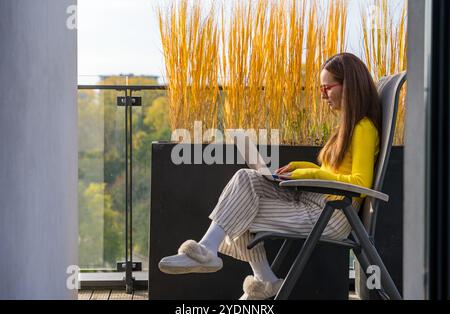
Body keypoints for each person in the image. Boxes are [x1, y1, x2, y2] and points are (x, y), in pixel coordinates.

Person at [158, 52, 381, 300]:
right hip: (316, 202)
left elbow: (360, 185)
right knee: (247, 179)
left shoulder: (363, 128)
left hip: (332, 215)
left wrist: (312, 171)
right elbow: (338, 173)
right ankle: (254, 275)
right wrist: (301, 166)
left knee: (240, 209)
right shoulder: (346, 127)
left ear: (349, 87)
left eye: (328, 87)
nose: (322, 94)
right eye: (321, 88)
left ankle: (245, 270)